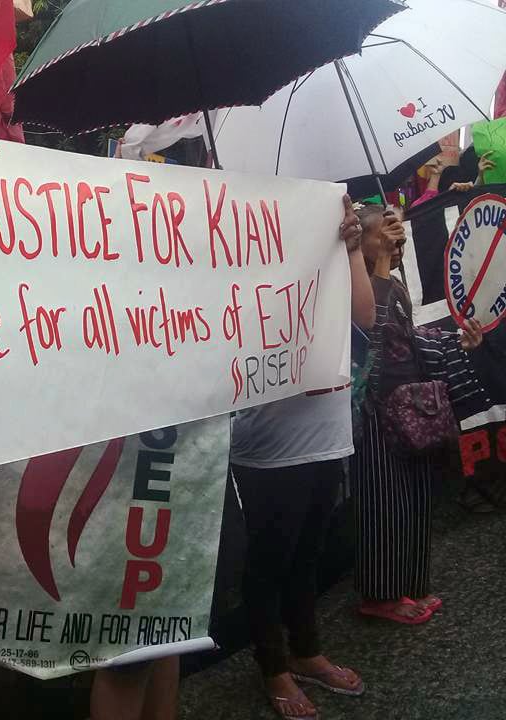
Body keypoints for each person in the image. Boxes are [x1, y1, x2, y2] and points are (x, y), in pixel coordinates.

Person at [228, 196, 373, 720]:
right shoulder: (241, 256)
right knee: (270, 561)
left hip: (327, 435)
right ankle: (274, 667)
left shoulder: (330, 241)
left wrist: (352, 250)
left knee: (307, 555)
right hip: (269, 448)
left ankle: (307, 651)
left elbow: (364, 320)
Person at [351, 204, 489, 624]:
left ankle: (408, 584)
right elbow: (369, 325)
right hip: (376, 411)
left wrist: (455, 341)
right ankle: (378, 595)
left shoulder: (394, 283)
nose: (395, 238)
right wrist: (376, 259)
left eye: (397, 232)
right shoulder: (356, 284)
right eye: (384, 232)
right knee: (384, 503)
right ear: (361, 243)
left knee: (413, 499)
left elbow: (410, 336)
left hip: (408, 406)